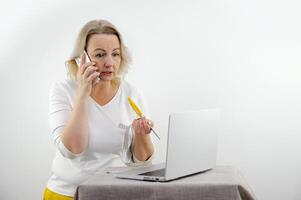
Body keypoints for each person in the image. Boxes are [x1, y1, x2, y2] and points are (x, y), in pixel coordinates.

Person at [43, 19, 155, 200]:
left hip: (116, 194)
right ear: (82, 59)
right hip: (68, 194)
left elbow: (143, 161)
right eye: (100, 55)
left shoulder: (132, 93)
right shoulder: (62, 91)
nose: (110, 63)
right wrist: (82, 93)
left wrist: (141, 134)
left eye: (115, 54)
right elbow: (72, 149)